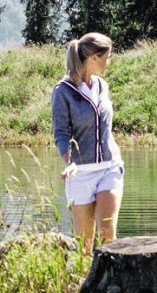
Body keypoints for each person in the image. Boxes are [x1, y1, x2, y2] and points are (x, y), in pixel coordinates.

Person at [53, 32, 123, 253]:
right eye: (107, 57)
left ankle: (112, 285)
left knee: (107, 236)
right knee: (85, 245)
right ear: (94, 57)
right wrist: (68, 162)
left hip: (109, 168)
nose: (108, 62)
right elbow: (61, 134)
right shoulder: (63, 91)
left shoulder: (102, 86)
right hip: (80, 173)